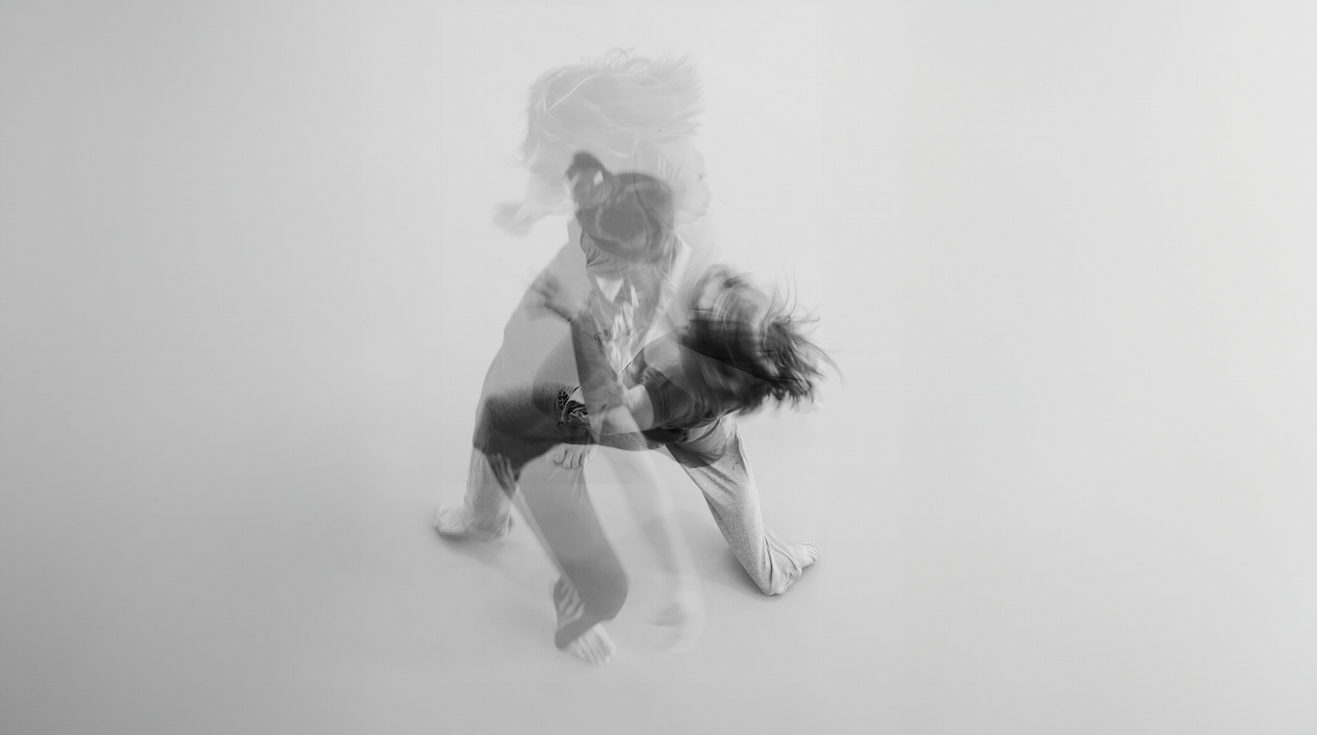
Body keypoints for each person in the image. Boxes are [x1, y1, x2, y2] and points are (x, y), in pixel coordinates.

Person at [444, 261, 834, 663]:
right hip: (652, 419)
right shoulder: (701, 369)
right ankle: (485, 519)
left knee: (765, 570)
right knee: (502, 418)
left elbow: (620, 408)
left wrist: (794, 380)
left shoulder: (702, 378)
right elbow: (622, 406)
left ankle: (776, 571)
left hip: (692, 438)